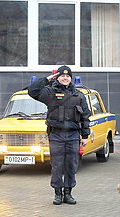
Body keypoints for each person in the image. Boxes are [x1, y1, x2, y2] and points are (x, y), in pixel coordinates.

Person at [28, 65, 90, 205]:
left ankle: (68, 193)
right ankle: (57, 193)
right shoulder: (50, 93)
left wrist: (85, 136)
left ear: (71, 78)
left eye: (68, 76)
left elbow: (85, 117)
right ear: (57, 77)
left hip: (73, 135)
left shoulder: (79, 95)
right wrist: (46, 79)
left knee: (71, 165)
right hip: (56, 134)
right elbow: (32, 91)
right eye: (62, 75)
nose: (65, 78)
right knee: (57, 165)